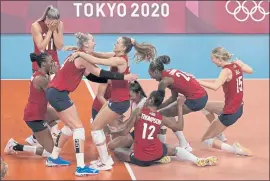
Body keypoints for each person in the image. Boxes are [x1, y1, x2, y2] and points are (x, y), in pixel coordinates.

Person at [45, 32, 138, 176]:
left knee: (71, 127)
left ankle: (53, 157)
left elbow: (90, 75)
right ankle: (81, 167)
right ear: (86, 44)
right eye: (92, 41)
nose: (94, 43)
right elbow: (98, 71)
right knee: (79, 129)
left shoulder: (81, 56)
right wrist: (124, 77)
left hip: (56, 93)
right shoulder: (82, 57)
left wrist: (80, 53)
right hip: (58, 94)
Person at [70, 37, 157, 170]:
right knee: (96, 127)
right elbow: (98, 55)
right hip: (116, 100)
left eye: (117, 43)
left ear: (122, 48)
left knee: (95, 128)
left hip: (119, 102)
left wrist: (79, 54)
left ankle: (105, 161)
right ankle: (104, 159)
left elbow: (97, 61)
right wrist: (81, 50)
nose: (114, 44)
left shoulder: (120, 60)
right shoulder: (116, 55)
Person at [108, 91, 217, 167]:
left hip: (141, 158)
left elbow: (125, 131)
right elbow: (179, 127)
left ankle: (156, 160)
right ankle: (197, 160)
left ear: (150, 100)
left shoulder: (139, 112)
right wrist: (179, 106)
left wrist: (110, 131)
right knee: (175, 150)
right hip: (156, 151)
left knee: (118, 151)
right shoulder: (161, 117)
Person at [4, 53, 69, 159]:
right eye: (51, 61)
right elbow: (55, 94)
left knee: (63, 115)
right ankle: (15, 146)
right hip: (34, 117)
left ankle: (37, 136)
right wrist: (56, 74)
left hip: (41, 110)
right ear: (43, 64)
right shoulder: (40, 79)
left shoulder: (42, 74)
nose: (54, 63)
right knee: (51, 152)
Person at [197, 47, 253, 156]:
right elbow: (250, 71)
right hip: (237, 106)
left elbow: (215, 86)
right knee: (204, 106)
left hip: (230, 112)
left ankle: (235, 150)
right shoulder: (236, 65)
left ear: (219, 59)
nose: (211, 60)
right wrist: (241, 64)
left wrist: (197, 81)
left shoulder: (225, 71)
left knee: (205, 140)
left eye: (212, 58)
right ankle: (220, 134)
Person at [148, 55, 208, 151]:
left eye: (151, 74)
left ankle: (182, 145)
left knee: (162, 115)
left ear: (156, 71)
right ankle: (169, 143)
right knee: (164, 113)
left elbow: (158, 101)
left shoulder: (164, 82)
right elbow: (173, 98)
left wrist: (152, 109)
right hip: (202, 94)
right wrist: (158, 108)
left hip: (196, 100)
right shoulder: (169, 73)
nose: (151, 77)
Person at [27, 5, 63, 146]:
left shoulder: (59, 24)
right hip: (40, 66)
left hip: (53, 66)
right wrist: (50, 31)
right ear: (46, 18)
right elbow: (41, 47)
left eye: (55, 21)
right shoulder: (36, 26)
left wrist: (55, 30)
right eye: (50, 21)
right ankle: (37, 134)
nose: (52, 24)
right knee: (42, 100)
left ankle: (45, 132)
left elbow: (59, 46)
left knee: (55, 97)